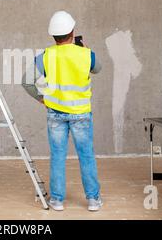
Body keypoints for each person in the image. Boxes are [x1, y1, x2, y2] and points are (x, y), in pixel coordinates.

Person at [22, 11, 102, 212]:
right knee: (86, 156)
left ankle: (57, 200)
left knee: (57, 156)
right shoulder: (86, 54)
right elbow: (98, 68)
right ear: (72, 32)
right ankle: (93, 200)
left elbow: (26, 81)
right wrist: (86, 50)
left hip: (56, 113)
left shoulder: (46, 56)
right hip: (81, 114)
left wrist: (43, 100)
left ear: (53, 36)